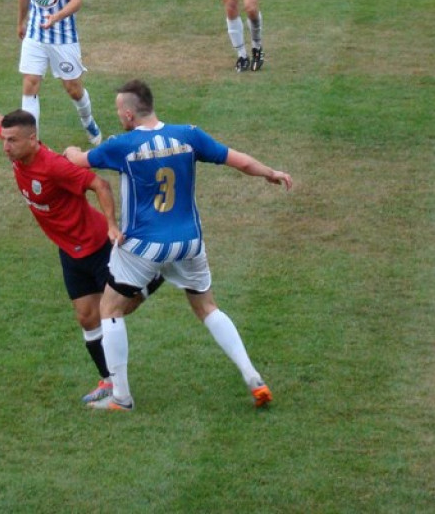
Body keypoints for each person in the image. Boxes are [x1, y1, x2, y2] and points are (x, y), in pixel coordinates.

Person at [64, 79, 293, 412]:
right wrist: (269, 172)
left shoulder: (122, 145)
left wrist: (71, 150)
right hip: (189, 243)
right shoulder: (189, 135)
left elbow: (79, 161)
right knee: (207, 307)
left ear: (128, 114)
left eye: (118, 110)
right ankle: (252, 375)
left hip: (144, 246)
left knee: (109, 310)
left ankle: (121, 398)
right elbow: (240, 160)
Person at [0, 81, 160, 403]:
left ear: (33, 139)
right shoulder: (17, 152)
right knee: (86, 316)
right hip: (70, 251)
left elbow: (100, 184)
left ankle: (155, 276)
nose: (6, 147)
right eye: (5, 140)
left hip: (98, 245)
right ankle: (108, 381)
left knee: (122, 308)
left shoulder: (54, 166)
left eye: (13, 141)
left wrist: (111, 224)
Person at [17, 0, 102, 144]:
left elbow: (76, 1)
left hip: (63, 38)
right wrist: (21, 22)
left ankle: (88, 122)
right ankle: (32, 142)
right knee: (30, 83)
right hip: (35, 35)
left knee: (73, 88)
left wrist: (56, 17)